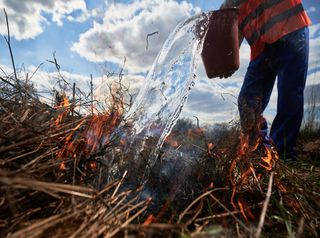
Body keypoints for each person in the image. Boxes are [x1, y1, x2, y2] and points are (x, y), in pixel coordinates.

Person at [220, 0, 311, 161]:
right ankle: (259, 152)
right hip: (261, 48)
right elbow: (235, 36)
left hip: (291, 29)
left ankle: (282, 154)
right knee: (247, 101)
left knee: (289, 94)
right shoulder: (229, 6)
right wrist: (226, 62)